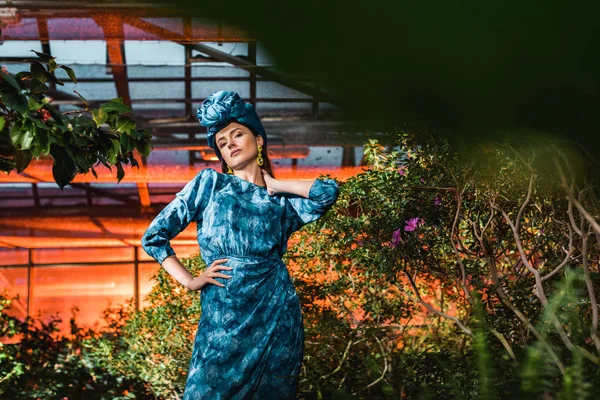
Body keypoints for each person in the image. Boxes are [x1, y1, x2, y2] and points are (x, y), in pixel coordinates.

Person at [141, 90, 340, 399]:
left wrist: (276, 184)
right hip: (224, 317)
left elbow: (327, 193)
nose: (230, 144)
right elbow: (153, 237)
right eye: (222, 142)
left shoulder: (282, 203)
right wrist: (191, 281)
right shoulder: (210, 184)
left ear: (258, 140)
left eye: (237, 135)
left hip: (276, 311)